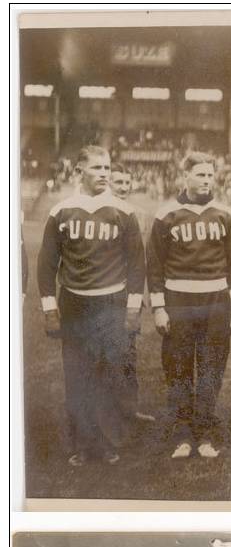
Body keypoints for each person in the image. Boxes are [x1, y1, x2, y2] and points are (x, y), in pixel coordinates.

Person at [36, 145, 145, 466]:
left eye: (107, 168)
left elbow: (137, 265)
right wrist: (49, 308)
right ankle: (83, 444)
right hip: (74, 302)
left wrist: (133, 308)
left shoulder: (123, 212)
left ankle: (108, 442)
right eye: (96, 168)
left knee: (109, 375)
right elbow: (46, 265)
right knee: (77, 375)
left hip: (111, 303)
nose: (104, 174)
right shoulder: (62, 211)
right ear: (79, 171)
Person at [147, 151, 231, 459]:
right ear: (185, 176)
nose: (206, 180)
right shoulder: (166, 215)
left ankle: (205, 432)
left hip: (216, 300)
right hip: (179, 300)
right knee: (178, 368)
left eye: (210, 174)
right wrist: (159, 307)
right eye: (200, 174)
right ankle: (182, 433)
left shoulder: (225, 214)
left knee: (212, 368)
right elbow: (155, 266)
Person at [109, 161, 156, 430]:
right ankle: (107, 410)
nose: (124, 188)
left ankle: (129, 408)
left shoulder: (139, 214)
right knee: (104, 351)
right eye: (119, 183)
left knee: (128, 351)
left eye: (127, 183)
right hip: (105, 291)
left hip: (130, 293)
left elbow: (142, 259)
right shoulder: (99, 213)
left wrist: (141, 293)